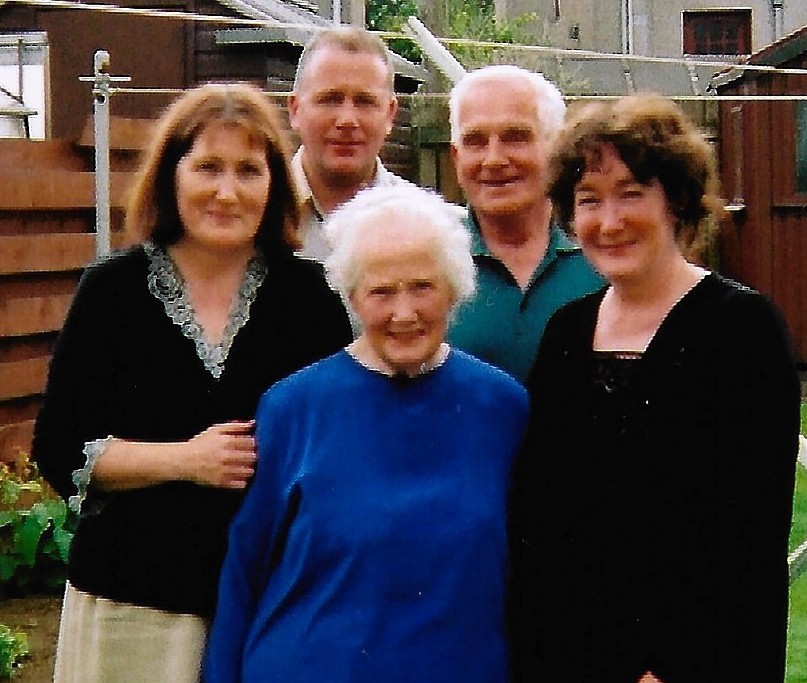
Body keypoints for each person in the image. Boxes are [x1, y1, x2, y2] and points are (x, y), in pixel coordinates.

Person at [31, 82, 352, 683]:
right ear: (170, 176)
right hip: (133, 608)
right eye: (207, 166)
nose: (226, 191)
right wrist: (187, 460)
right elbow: (58, 447)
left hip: (272, 604)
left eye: (248, 170)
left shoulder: (311, 298)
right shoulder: (113, 291)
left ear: (274, 183)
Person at [512, 93, 800, 683]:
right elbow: (539, 516)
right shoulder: (567, 334)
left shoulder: (740, 329)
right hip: (568, 658)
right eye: (588, 200)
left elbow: (747, 535)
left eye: (632, 193)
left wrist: (670, 665)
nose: (609, 222)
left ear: (677, 202)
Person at [204, 184, 529, 683]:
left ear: (455, 288)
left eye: (422, 286)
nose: (404, 313)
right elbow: (244, 571)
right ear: (352, 296)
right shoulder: (293, 407)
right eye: (381, 291)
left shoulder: (501, 405)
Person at [446, 65, 604, 382]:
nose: (493, 160)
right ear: (455, 156)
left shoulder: (605, 253)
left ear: (556, 147)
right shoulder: (427, 261)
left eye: (515, 137)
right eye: (475, 141)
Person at [288, 25, 414, 261]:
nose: (347, 120)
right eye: (330, 99)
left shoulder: (428, 226)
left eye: (365, 102)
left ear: (390, 114)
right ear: (295, 110)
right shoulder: (255, 215)